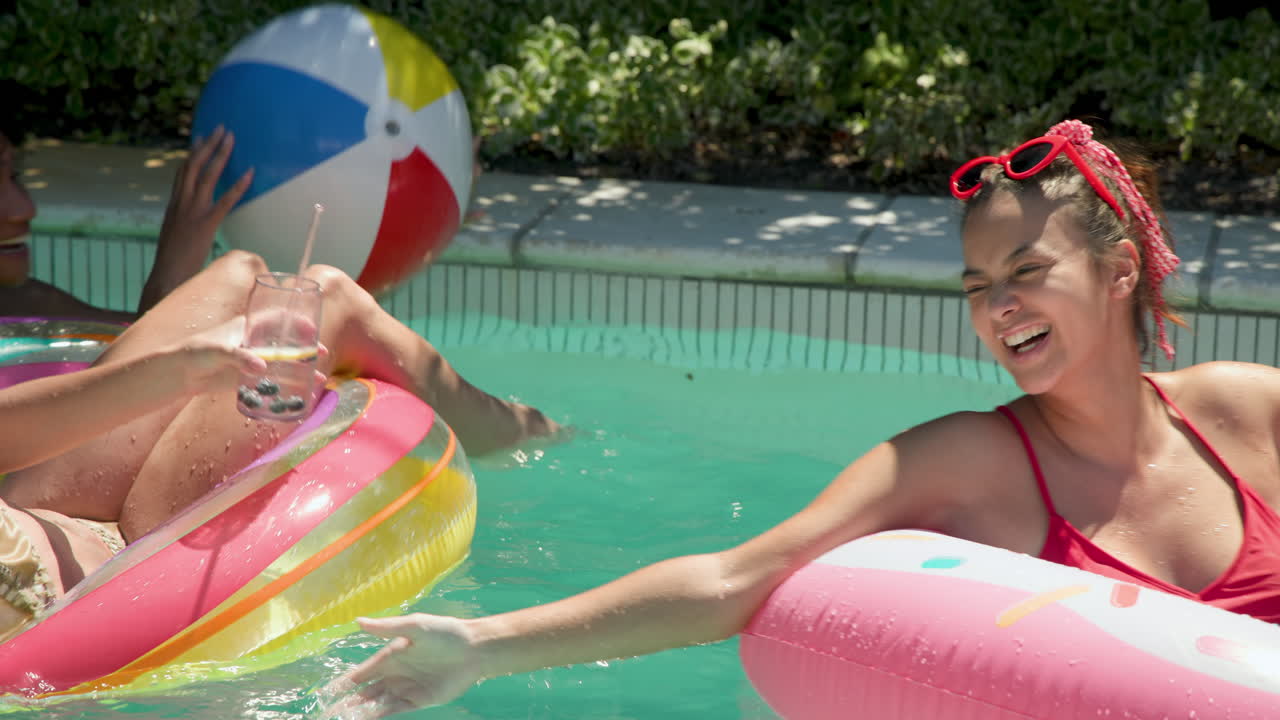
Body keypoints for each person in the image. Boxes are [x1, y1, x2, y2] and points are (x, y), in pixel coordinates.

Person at [321, 119, 1280, 718]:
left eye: (1029, 273)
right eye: (980, 285)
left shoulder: (1247, 412)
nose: (1000, 308)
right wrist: (484, 647)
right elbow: (739, 575)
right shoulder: (965, 461)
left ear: (1118, 275)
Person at [0, 246, 562, 642]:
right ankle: (517, 430)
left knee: (241, 275)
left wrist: (175, 374)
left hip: (38, 503)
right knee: (322, 303)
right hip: (123, 576)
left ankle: (512, 426)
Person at [1, 122, 253, 321]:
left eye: (14, 176)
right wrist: (171, 275)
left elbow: (122, 343)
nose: (24, 210)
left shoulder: (26, 306)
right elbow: (138, 371)